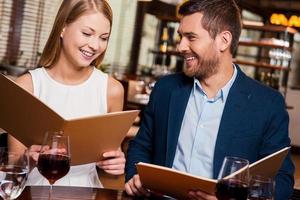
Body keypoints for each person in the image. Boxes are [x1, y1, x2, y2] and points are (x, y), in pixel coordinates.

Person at [125, 0, 294, 199]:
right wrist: (135, 176)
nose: (181, 46)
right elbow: (141, 146)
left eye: (191, 37)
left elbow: (282, 180)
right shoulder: (165, 89)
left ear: (223, 40)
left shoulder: (267, 104)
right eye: (180, 36)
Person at [10, 0, 125, 188]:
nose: (95, 45)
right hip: (32, 193)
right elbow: (12, 172)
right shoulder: (26, 86)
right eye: (87, 33)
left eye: (104, 38)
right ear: (62, 29)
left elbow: (112, 177)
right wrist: (28, 159)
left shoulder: (111, 90)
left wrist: (115, 166)